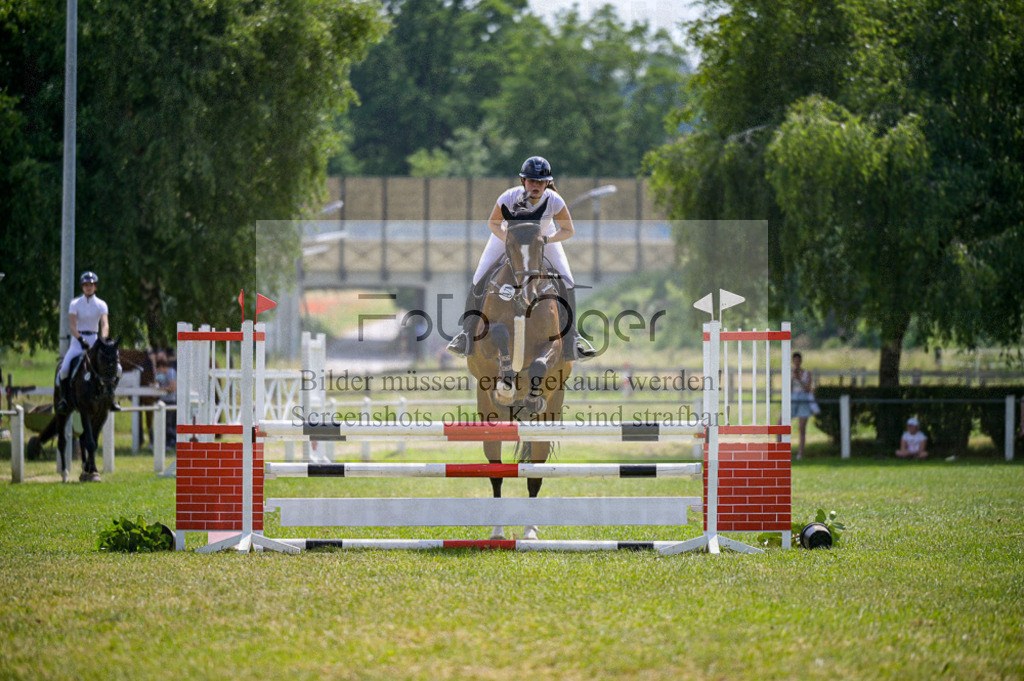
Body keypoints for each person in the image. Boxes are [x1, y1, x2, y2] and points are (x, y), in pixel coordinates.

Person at [446, 156, 596, 361]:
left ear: (547, 183)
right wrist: (510, 240)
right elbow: (493, 224)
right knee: (479, 276)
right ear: (523, 181)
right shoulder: (508, 197)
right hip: (508, 236)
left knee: (567, 280)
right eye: (531, 180)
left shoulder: (554, 200)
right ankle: (465, 335)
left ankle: (572, 340)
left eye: (541, 182)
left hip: (542, 238)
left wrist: (546, 239)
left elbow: (568, 230)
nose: (536, 185)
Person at [55, 271, 121, 414]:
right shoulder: (75, 304)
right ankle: (64, 400)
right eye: (86, 285)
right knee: (64, 369)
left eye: (91, 285)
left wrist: (103, 340)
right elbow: (72, 326)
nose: (88, 287)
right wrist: (80, 339)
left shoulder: (101, 304)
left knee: (118, 369)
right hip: (77, 341)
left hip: (95, 339)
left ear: (95, 287)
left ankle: (111, 398)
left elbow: (105, 324)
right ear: (82, 287)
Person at [790, 352, 815, 459]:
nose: (796, 363)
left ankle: (800, 453)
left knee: (802, 427)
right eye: (795, 360)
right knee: (781, 423)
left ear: (800, 361)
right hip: (793, 399)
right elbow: (788, 389)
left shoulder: (806, 374)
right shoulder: (790, 373)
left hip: (803, 399)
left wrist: (799, 379)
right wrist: (792, 378)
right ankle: (780, 451)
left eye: (798, 360)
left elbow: (808, 389)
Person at [154, 353, 177, 447]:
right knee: (165, 424)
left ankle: (176, 440)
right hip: (165, 400)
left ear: (162, 367)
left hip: (170, 401)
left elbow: (173, 387)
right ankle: (169, 443)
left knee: (168, 425)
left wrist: (160, 389)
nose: (159, 371)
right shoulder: (165, 374)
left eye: (159, 369)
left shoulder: (170, 372)